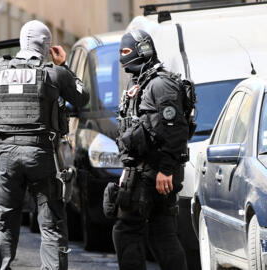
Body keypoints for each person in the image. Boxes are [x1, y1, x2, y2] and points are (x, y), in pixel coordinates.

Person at [0, 20, 89, 270]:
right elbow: (81, 96)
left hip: (6, 156)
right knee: (51, 225)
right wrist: (63, 65)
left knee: (4, 225)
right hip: (42, 155)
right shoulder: (54, 73)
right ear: (45, 45)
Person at [113, 29, 190, 270]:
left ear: (143, 49)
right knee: (161, 233)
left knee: (128, 231)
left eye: (126, 51)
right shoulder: (139, 83)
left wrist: (165, 169)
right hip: (141, 169)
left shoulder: (161, 85)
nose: (122, 57)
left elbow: (175, 130)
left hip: (154, 172)